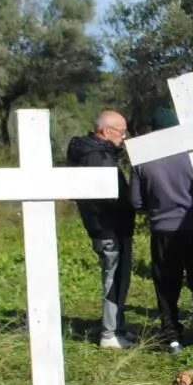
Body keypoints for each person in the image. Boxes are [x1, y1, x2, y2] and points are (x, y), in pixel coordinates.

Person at [130, 106, 193, 354]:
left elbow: (136, 202)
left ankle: (171, 335)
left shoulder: (142, 159)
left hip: (163, 230)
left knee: (167, 284)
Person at [67, 110, 136, 349]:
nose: (124, 137)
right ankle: (110, 334)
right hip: (109, 228)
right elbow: (109, 197)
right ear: (106, 131)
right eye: (121, 132)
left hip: (106, 226)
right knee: (114, 279)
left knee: (118, 278)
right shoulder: (99, 157)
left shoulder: (92, 153)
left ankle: (118, 327)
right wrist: (130, 202)